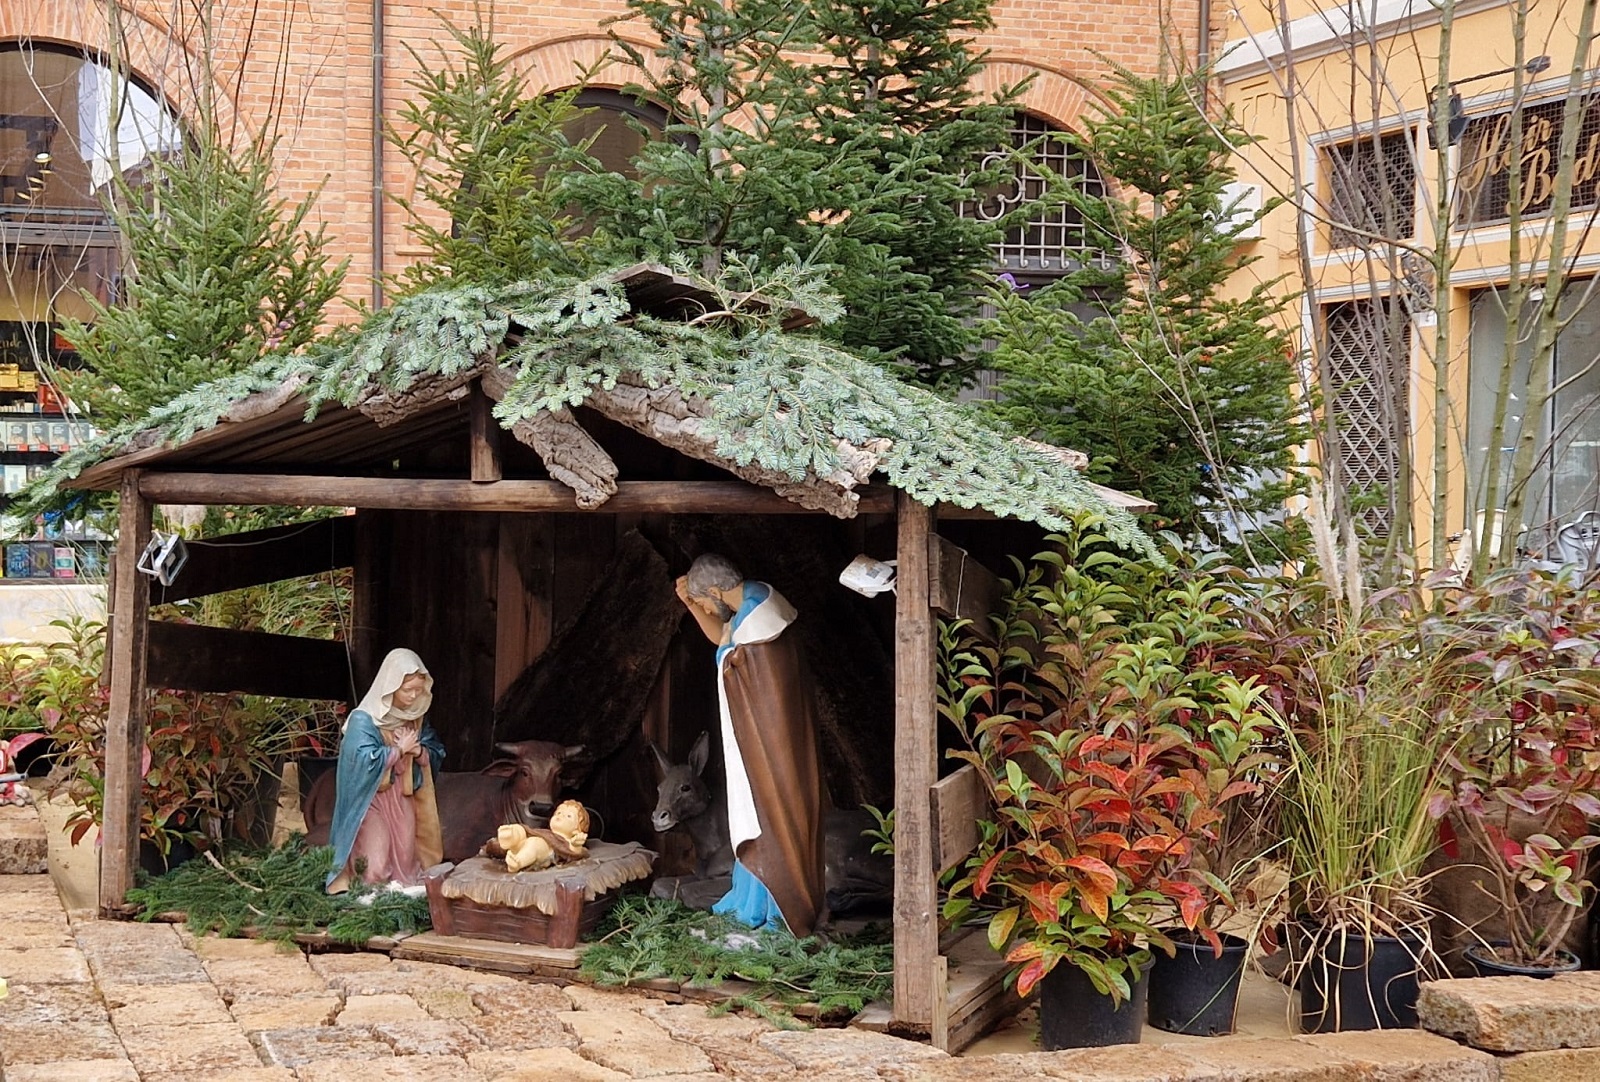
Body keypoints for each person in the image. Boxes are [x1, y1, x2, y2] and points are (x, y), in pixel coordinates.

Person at [676, 554, 825, 937]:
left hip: (768, 742)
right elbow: (722, 640)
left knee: (768, 813)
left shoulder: (760, 626)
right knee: (757, 814)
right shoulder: (750, 605)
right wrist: (691, 606)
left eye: (707, 602)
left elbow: (737, 658)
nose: (710, 610)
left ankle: (776, 909)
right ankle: (748, 897)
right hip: (755, 736)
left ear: (716, 590)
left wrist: (728, 661)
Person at [325, 648, 446, 894]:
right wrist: (398, 751)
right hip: (370, 801)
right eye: (407, 690)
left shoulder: (416, 718)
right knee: (376, 866)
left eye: (417, 690)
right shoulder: (364, 720)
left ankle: (398, 900)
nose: (413, 696)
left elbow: (435, 751)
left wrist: (419, 752)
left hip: (403, 798)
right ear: (391, 687)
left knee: (407, 863)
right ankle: (369, 897)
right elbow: (360, 763)